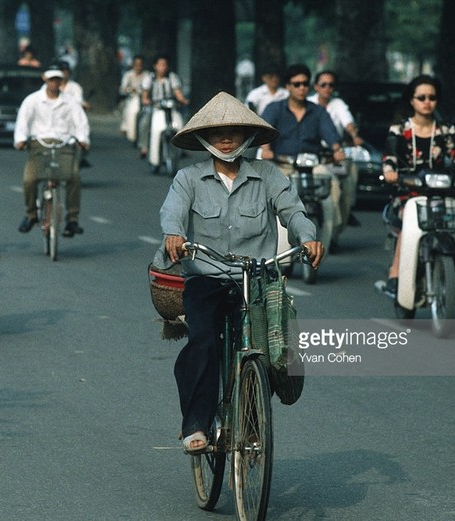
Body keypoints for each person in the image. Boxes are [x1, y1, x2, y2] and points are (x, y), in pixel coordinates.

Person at [156, 91, 323, 453]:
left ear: (247, 136)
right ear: (205, 139)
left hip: (257, 279)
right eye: (218, 133)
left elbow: (293, 212)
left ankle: (250, 418)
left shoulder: (268, 175)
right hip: (207, 277)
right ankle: (196, 424)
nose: (226, 138)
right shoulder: (189, 178)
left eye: (233, 131)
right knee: (202, 341)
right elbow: (172, 213)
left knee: (266, 351)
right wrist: (175, 233)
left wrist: (308, 237)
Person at [380, 75, 455, 297]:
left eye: (432, 97)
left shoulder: (445, 129)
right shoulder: (400, 129)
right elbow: (390, 154)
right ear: (412, 101)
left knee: (453, 221)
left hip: (440, 191)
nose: (427, 102)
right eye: (421, 97)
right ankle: (395, 273)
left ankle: (452, 278)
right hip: (408, 190)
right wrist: (389, 170)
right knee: (408, 217)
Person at [260, 63, 345, 247]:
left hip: (313, 165)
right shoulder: (275, 109)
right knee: (269, 194)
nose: (301, 88)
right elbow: (265, 131)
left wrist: (337, 150)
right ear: (288, 86)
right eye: (296, 84)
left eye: (305, 84)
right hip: (282, 164)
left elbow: (331, 135)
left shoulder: (318, 112)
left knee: (334, 186)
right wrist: (266, 149)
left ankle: (329, 236)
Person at [14, 64, 90, 236]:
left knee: (74, 177)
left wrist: (83, 140)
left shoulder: (70, 102)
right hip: (39, 144)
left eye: (57, 79)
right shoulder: (32, 100)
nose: (54, 83)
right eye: (51, 79)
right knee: (29, 179)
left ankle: (72, 219)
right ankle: (31, 214)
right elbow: (23, 122)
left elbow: (80, 123)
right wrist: (20, 140)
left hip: (64, 144)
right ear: (44, 78)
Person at [308, 69, 364, 228]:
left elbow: (348, 123)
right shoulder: (308, 103)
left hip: (333, 152)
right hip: (310, 154)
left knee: (349, 177)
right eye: (323, 84)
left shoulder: (338, 104)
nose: (327, 88)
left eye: (331, 85)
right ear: (316, 87)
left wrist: (354, 136)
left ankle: (342, 219)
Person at [137, 54, 188, 162]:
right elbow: (145, 94)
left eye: (165, 65)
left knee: (180, 124)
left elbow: (177, 92)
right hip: (155, 107)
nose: (162, 67)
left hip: (170, 107)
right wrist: (145, 100)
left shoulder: (172, 77)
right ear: (155, 66)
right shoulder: (149, 78)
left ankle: (182, 148)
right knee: (145, 122)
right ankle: (144, 147)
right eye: (160, 65)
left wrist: (182, 99)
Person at [119, 55, 147, 144]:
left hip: (145, 99)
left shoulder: (147, 75)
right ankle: (130, 132)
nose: (138, 67)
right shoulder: (128, 75)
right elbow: (123, 88)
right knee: (130, 111)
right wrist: (130, 90)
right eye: (136, 64)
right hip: (132, 98)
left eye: (140, 64)